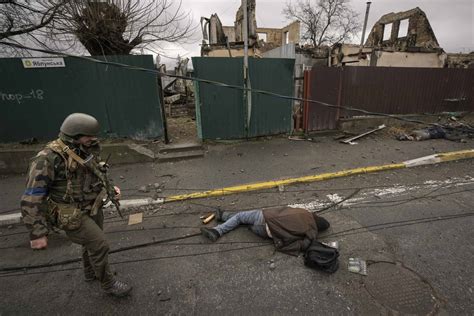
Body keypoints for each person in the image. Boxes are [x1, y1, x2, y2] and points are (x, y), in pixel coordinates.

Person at [20, 113, 132, 297]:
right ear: (74, 135)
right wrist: (37, 232)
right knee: (99, 244)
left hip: (92, 205)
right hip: (69, 212)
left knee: (91, 244)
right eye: (89, 135)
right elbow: (32, 197)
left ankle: (91, 273)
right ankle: (108, 283)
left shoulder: (85, 148)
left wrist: (111, 190)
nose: (93, 139)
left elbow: (98, 171)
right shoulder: (47, 158)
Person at [200, 207, 330, 256]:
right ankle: (223, 215)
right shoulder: (312, 233)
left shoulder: (304, 212)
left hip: (265, 217)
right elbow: (302, 245)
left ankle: (217, 231)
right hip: (267, 232)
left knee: (241, 217)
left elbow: (284, 210)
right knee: (242, 220)